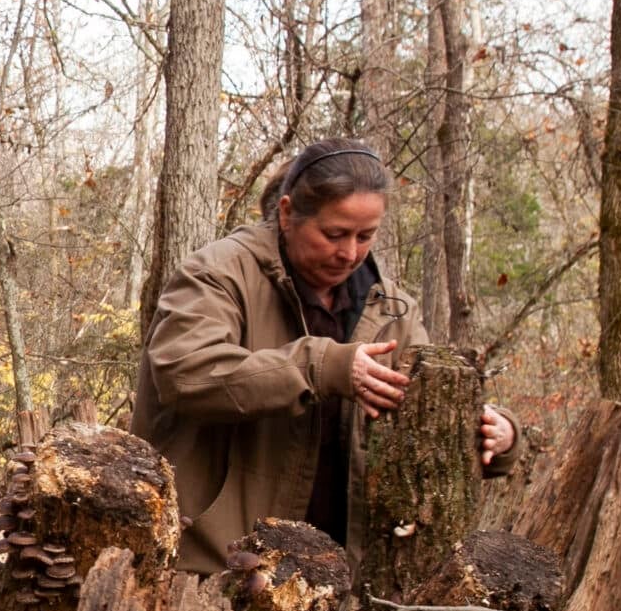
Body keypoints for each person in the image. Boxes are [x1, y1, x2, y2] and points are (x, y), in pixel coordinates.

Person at [134, 137, 520, 579]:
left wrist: (499, 434)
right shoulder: (218, 275)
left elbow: (425, 415)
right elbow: (185, 373)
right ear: (286, 214)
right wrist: (323, 366)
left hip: (339, 587)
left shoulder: (392, 309)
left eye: (365, 236)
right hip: (213, 571)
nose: (350, 253)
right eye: (334, 234)